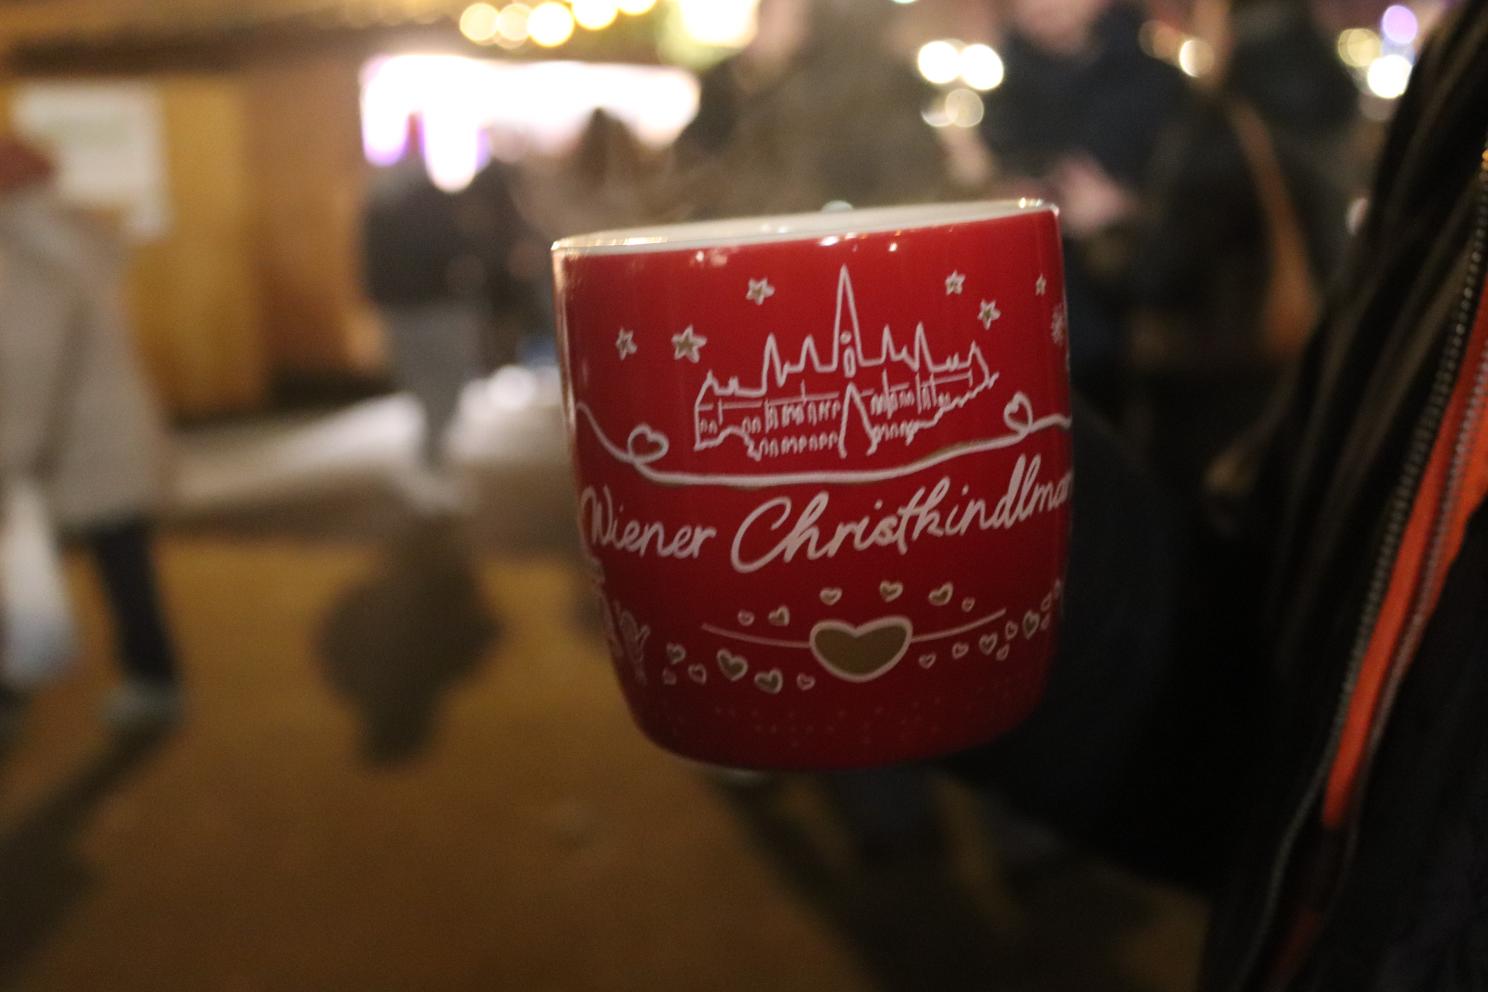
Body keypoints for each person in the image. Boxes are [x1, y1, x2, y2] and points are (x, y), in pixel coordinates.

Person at [953, 1, 1488, 987]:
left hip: (1179, 379)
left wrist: (1110, 226)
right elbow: (1291, 680)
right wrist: (978, 532)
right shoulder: (1468, 65)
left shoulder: (1187, 106)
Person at [1119, 0, 1360, 494]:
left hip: (1214, 382)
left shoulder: (1218, 124)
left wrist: (1115, 230)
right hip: (1315, 359)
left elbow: (1161, 271)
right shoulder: (1333, 95)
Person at [0, 137, 182, 733]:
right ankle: (154, 677)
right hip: (110, 433)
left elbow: (29, 368)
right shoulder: (76, 235)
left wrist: (9, 458)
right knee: (125, 565)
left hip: (64, 445)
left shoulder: (23, 254)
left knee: (34, 571)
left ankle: (17, 690)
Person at [979, 0, 1187, 415]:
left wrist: (1122, 213)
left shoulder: (1161, 88)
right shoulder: (1003, 103)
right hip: (1038, 331)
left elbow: (1207, 209)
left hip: (1150, 335)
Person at [361, 118, 484, 511]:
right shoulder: (430, 199)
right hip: (439, 306)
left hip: (404, 310)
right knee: (444, 389)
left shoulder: (377, 200)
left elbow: (369, 261)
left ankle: (430, 466)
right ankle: (429, 465)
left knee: (425, 389)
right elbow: (456, 249)